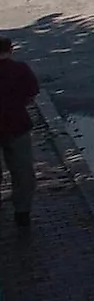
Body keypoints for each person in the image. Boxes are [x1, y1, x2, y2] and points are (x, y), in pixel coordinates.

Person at [0, 37, 38, 230]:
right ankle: (22, 212)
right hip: (17, 125)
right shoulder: (20, 69)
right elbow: (32, 92)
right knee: (22, 171)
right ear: (11, 49)